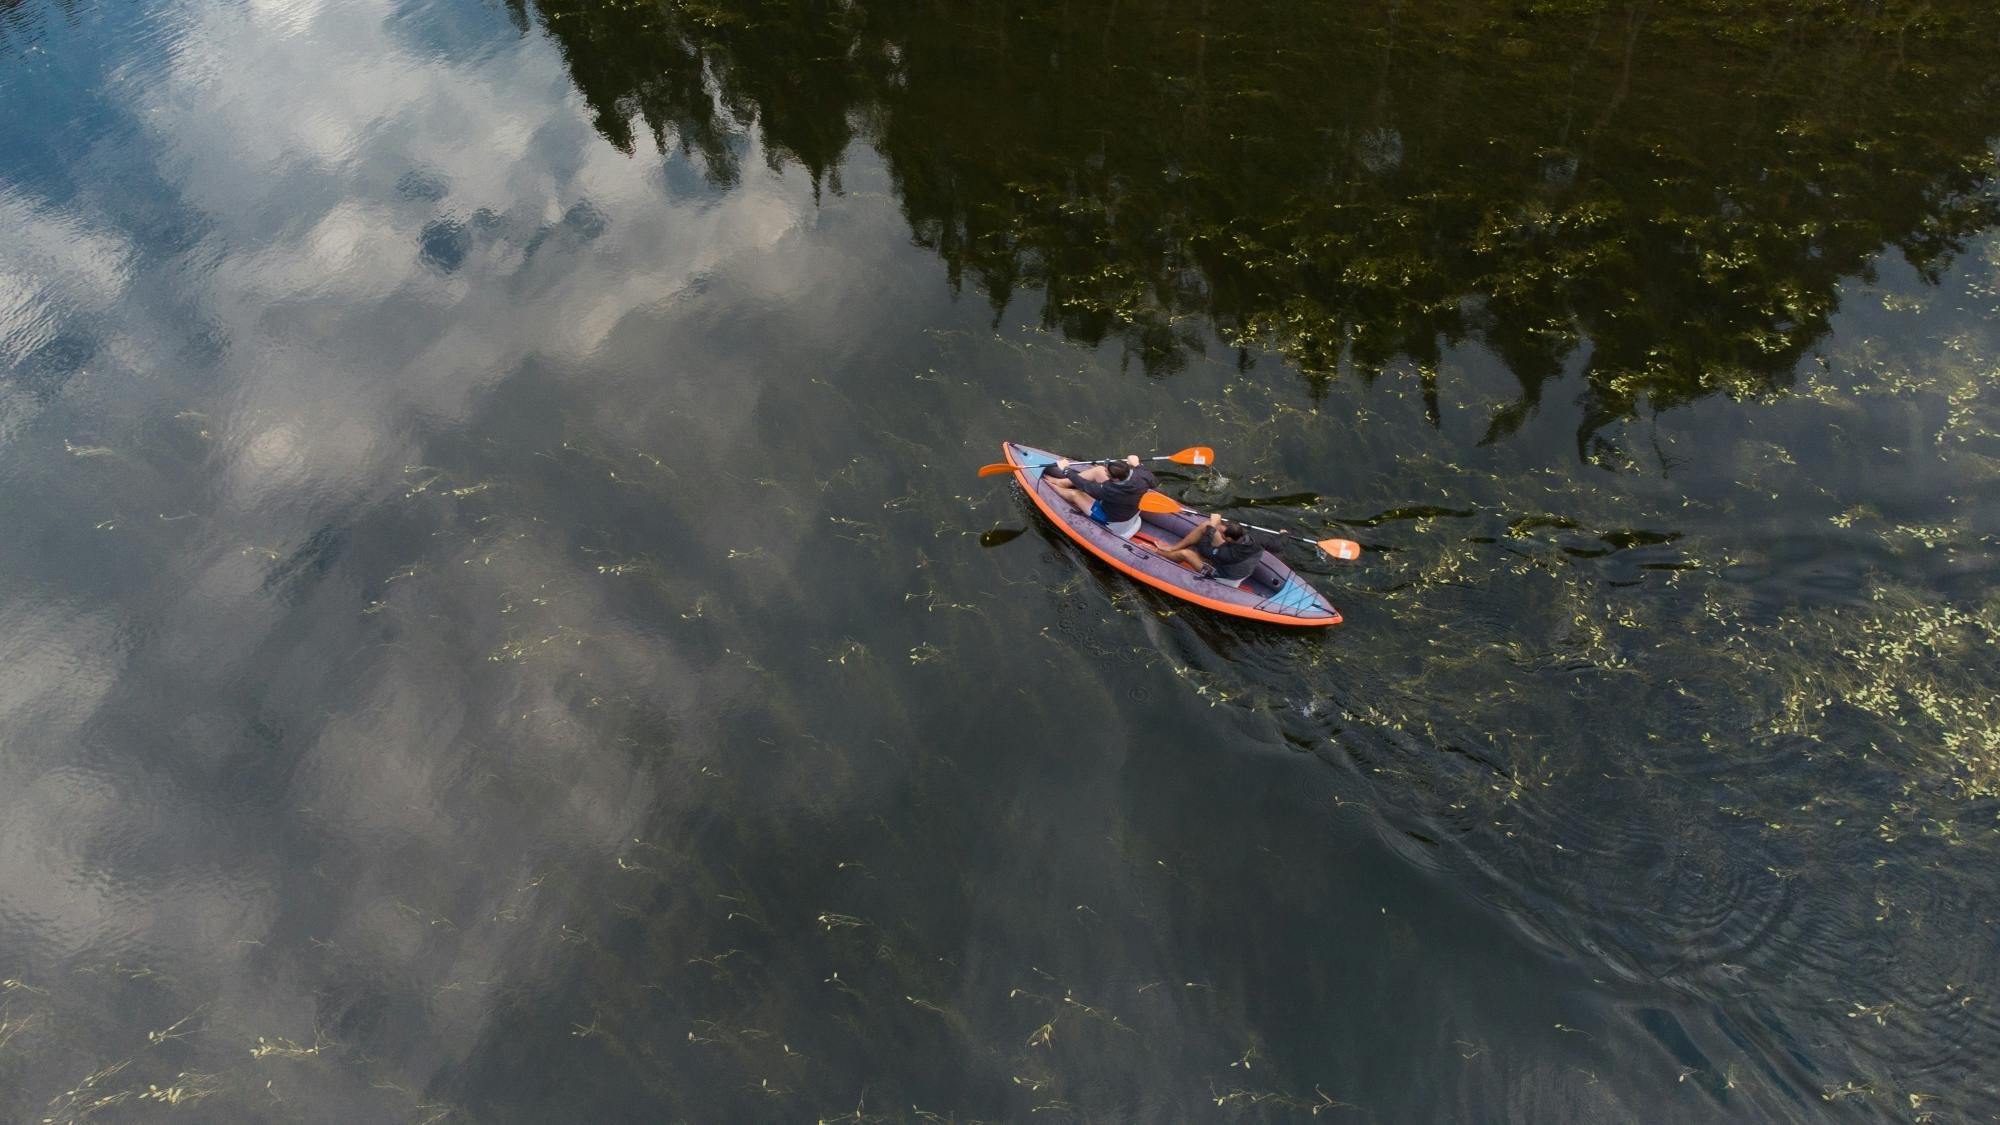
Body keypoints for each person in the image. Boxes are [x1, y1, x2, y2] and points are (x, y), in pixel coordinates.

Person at [1043, 454, 1157, 540]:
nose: (1106, 474)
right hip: (1130, 512)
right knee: (1098, 470)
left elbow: (1084, 485)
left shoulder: (1109, 490)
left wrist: (1066, 469)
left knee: (1077, 494)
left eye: (1108, 475)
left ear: (1116, 479)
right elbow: (1153, 481)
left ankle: (1048, 486)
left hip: (1113, 522)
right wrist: (1137, 464)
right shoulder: (1143, 476)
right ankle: (1061, 483)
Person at [1155, 515, 1266, 588]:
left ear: (1229, 539)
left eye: (1222, 534)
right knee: (1206, 526)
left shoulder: (1226, 554)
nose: (1220, 534)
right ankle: (1174, 548)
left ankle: (1157, 552)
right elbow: (1278, 543)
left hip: (1223, 576)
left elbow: (1204, 550)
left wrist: (1212, 526)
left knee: (1185, 553)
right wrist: (1284, 534)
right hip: (1232, 562)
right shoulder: (1257, 540)